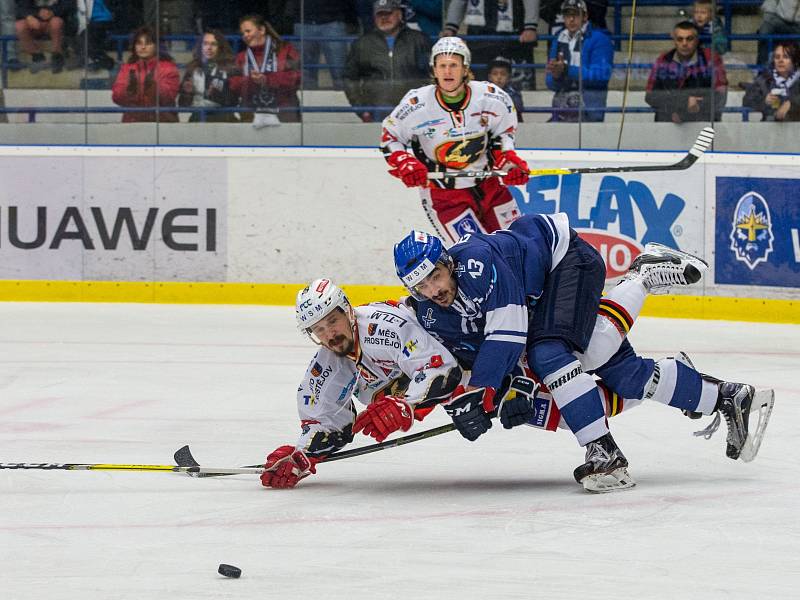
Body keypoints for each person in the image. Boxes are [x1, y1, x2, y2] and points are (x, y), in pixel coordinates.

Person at [393, 216, 773, 491]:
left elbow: (508, 335)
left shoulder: (478, 264)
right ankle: (725, 396)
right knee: (620, 374)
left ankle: (604, 452)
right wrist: (502, 390)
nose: (432, 290)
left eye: (435, 277)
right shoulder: (428, 313)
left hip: (563, 259)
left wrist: (487, 390)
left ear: (448, 262)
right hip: (539, 296)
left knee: (553, 354)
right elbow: (480, 358)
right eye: (420, 285)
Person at [259, 279, 465, 489]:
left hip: (461, 359)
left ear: (347, 310)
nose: (329, 335)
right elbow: (325, 418)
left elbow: (441, 368)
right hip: (409, 381)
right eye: (318, 329)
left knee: (468, 404)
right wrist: (299, 456)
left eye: (332, 321)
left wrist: (406, 404)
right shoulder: (330, 357)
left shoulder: (384, 329)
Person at [380, 36, 529, 242]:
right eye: (441, 65)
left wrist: (509, 162)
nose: (447, 71)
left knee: (519, 247)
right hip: (445, 195)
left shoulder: (492, 97)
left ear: (465, 69)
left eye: (453, 65)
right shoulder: (417, 104)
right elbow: (390, 137)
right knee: (477, 257)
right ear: (434, 70)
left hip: (490, 187)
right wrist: (406, 162)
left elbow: (503, 135)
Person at [344, 0, 431, 123]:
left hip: (413, 110)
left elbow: (431, 75)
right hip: (378, 111)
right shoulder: (362, 43)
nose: (384, 18)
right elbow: (350, 78)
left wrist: (427, 105)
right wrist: (361, 109)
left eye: (388, 13)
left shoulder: (419, 40)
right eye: (380, 14)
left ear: (399, 14)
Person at [441, 0, 538, 89]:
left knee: (518, 89)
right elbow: (459, 2)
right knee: (478, 88)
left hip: (514, 39)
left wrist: (530, 26)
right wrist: (451, 26)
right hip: (479, 39)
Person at [645, 21, 728, 123]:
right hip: (668, 125)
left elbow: (721, 95)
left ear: (697, 40)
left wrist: (699, 106)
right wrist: (683, 103)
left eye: (689, 39)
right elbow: (650, 96)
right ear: (674, 40)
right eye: (680, 39)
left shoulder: (712, 59)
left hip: (703, 123)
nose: (684, 43)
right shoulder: (663, 60)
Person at [545, 0, 613, 122]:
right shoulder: (559, 38)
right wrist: (556, 76)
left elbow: (601, 76)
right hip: (562, 109)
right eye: (567, 15)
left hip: (589, 111)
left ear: (585, 16)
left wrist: (566, 70)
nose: (571, 19)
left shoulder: (600, 39)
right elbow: (550, 81)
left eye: (576, 15)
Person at [232, 14, 301, 126]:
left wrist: (268, 79)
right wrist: (251, 80)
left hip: (284, 114)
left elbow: (297, 77)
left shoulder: (286, 50)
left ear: (262, 30)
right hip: (251, 117)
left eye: (248, 31)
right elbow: (233, 85)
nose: (245, 36)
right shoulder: (241, 57)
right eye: (243, 33)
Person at [111, 26, 179, 123]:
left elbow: (169, 98)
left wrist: (154, 87)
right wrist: (128, 90)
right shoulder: (127, 68)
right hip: (132, 124)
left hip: (162, 123)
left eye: (148, 43)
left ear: (156, 45)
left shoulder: (169, 68)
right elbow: (117, 98)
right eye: (139, 43)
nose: (143, 47)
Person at [286, 0, 357, 89]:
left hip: (333, 21)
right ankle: (309, 102)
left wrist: (351, 19)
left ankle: (345, 101)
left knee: (340, 73)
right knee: (306, 76)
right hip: (303, 21)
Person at [178, 29, 240, 123]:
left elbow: (235, 101)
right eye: (205, 44)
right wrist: (187, 93)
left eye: (213, 44)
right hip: (197, 118)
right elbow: (182, 105)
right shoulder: (192, 68)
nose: (209, 47)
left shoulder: (231, 69)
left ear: (221, 47)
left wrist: (217, 95)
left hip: (224, 118)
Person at [743, 40, 800, 121]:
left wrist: (792, 104)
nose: (780, 60)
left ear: (794, 61)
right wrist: (764, 101)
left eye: (785, 57)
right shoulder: (763, 80)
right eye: (777, 57)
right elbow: (746, 101)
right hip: (768, 129)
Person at [14, 0, 74, 73]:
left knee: (56, 23)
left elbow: (68, 4)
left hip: (54, 19)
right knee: (19, 26)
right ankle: (37, 56)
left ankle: (57, 56)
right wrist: (29, 16)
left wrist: (53, 12)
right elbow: (20, 7)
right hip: (34, 22)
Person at [756, 0, 800, 67]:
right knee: (764, 34)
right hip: (778, 19)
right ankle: (762, 70)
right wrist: (767, 20)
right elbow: (770, 5)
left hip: (798, 24)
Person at [76, 0, 115, 71]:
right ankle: (101, 58)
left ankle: (97, 59)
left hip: (102, 20)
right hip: (83, 21)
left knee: (87, 34)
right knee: (85, 34)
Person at [487, 56, 525, 121]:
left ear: (509, 77)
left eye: (503, 74)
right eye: (495, 74)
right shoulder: (483, 91)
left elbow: (518, 107)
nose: (499, 77)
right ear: (489, 77)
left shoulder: (514, 91)